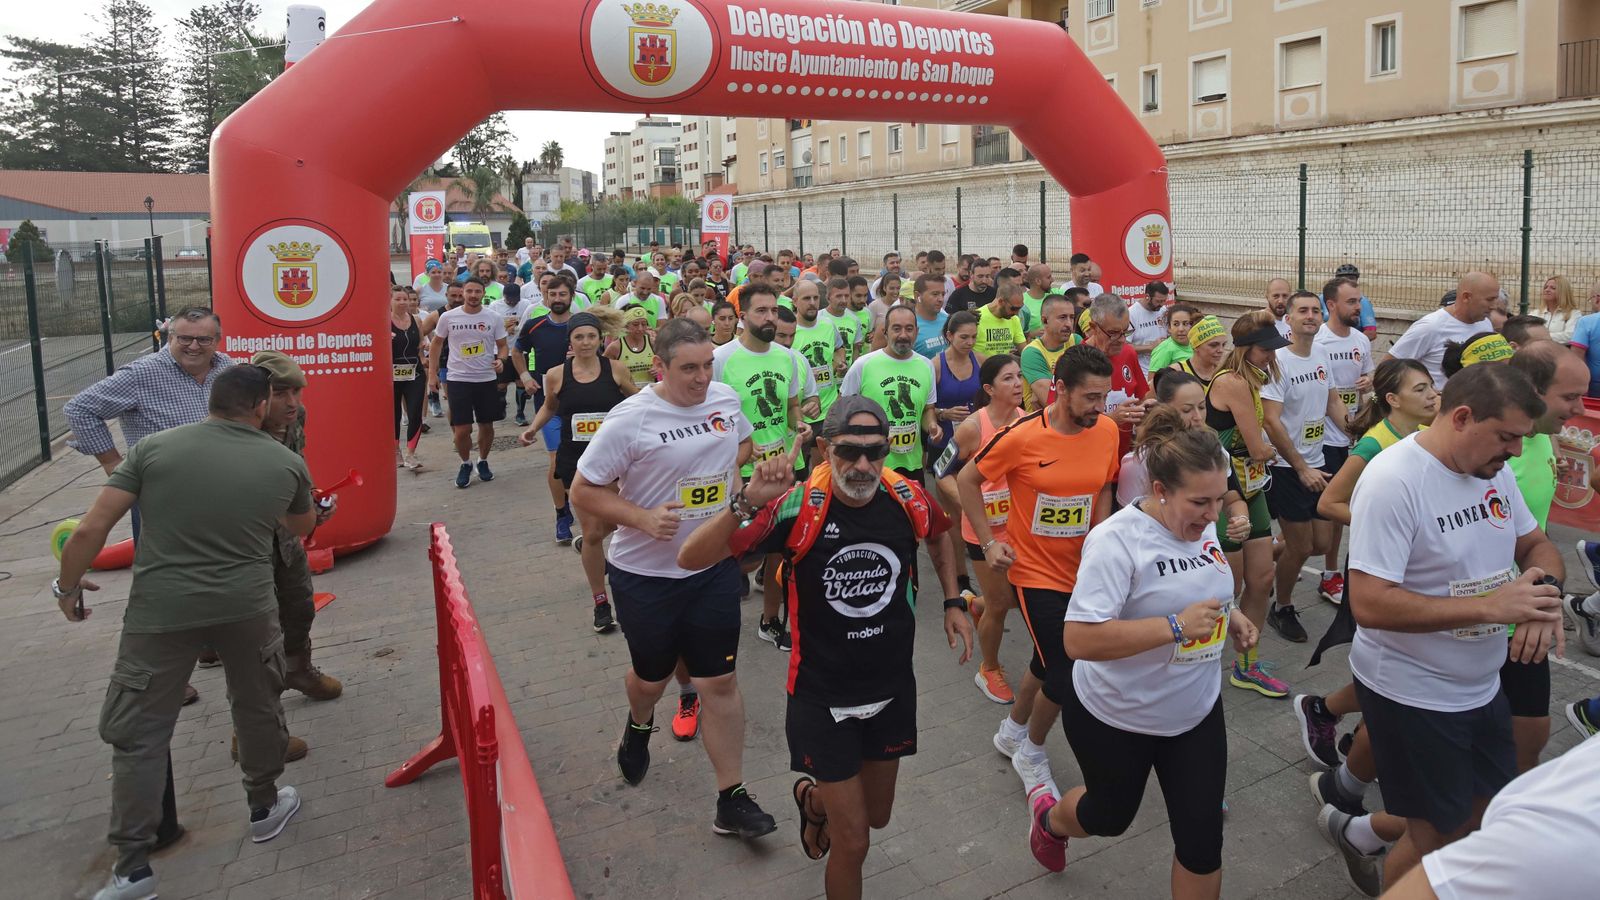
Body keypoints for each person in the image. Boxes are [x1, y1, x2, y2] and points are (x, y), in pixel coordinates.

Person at [678, 396, 973, 899]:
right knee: (853, 842)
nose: (862, 466)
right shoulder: (797, 504)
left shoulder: (906, 495)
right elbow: (692, 557)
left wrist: (953, 600)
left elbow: (939, 538)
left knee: (875, 818)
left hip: (891, 688)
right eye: (848, 452)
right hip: (821, 696)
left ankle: (813, 801)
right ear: (822, 449)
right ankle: (830, 812)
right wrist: (747, 499)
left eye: (874, 452)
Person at [58, 366, 312, 900]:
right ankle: (264, 807)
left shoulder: (151, 450)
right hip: (247, 606)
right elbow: (299, 527)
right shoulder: (285, 462)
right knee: (257, 704)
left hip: (161, 610)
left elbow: (89, 529)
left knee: (139, 731)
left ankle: (132, 867)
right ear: (261, 406)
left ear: (211, 401)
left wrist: (67, 587)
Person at [1346, 363, 1563, 890]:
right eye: (1507, 437)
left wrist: (1545, 593)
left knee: (1480, 821)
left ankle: (1359, 833)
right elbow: (1369, 604)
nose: (1515, 451)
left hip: (1480, 686)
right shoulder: (1393, 481)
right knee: (1440, 842)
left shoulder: (1492, 470)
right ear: (1462, 417)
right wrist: (1493, 607)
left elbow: (1536, 545)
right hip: (1412, 693)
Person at [1027, 409, 1258, 898]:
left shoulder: (1202, 522)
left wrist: (1230, 615)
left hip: (1193, 712)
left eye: (1219, 499)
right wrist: (1175, 627)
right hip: (1116, 716)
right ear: (1160, 490)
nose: (1213, 514)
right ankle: (1050, 820)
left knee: (1202, 844)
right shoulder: (1115, 542)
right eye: (1200, 502)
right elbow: (1079, 641)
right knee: (1108, 818)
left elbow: (1206, 583)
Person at [569, 318, 777, 840]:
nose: (702, 377)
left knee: (719, 681)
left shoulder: (726, 400)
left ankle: (731, 796)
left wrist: (739, 494)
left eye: (708, 365)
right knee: (651, 679)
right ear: (659, 367)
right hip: (645, 575)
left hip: (709, 568)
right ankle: (640, 722)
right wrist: (639, 517)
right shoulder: (631, 418)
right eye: (689, 368)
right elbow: (583, 490)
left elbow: (737, 449)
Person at [959, 345, 1122, 799]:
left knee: (1045, 660)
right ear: (1061, 390)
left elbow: (1104, 485)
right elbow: (967, 480)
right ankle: (1031, 751)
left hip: (1085, 571)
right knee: (1068, 667)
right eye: (1090, 397)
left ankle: (1012, 730)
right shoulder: (1022, 435)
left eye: (1104, 396)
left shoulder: (1106, 430)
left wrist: (1102, 537)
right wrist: (989, 543)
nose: (1098, 407)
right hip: (1035, 574)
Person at [519, 308, 637, 633]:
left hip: (613, 461)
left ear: (601, 339)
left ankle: (588, 545)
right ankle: (601, 602)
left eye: (591, 336)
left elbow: (638, 401)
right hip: (577, 464)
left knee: (612, 524)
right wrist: (532, 429)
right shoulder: (557, 374)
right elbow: (549, 406)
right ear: (570, 341)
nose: (585, 342)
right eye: (579, 337)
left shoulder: (615, 369)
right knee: (594, 530)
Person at [713, 283, 807, 651]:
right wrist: (738, 448)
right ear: (743, 316)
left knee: (780, 553)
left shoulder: (787, 358)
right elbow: (711, 416)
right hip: (741, 473)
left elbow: (792, 406)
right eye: (761, 311)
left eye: (773, 311)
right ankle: (716, 620)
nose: (769, 317)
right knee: (739, 553)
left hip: (784, 468)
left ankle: (771, 620)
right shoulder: (722, 359)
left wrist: (799, 423)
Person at [1206, 311, 1291, 698]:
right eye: (1264, 350)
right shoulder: (1234, 382)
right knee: (1230, 585)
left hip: (1252, 486)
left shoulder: (1252, 380)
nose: (1271, 357)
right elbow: (1257, 447)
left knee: (1262, 579)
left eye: (1273, 349)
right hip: (1226, 489)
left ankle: (1246, 664)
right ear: (1244, 349)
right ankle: (1197, 662)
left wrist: (1263, 453)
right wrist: (1269, 451)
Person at [1260, 290, 1345, 646]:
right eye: (1303, 311)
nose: (1310, 315)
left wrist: (1351, 426)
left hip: (1318, 460)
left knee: (1321, 541)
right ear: (1289, 319)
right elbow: (1271, 421)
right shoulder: (1278, 361)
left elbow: (1331, 398)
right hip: (1286, 466)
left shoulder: (1322, 354)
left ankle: (1265, 556)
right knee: (1302, 544)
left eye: (1315, 310)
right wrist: (1299, 467)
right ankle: (1282, 607)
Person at [940, 354, 1025, 705]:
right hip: (983, 533)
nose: (1018, 383)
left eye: (1020, 376)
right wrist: (970, 507)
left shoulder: (1027, 421)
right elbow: (942, 471)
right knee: (1003, 603)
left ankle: (978, 605)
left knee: (1020, 597)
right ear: (989, 389)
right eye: (1008, 379)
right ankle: (988, 668)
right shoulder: (973, 427)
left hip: (1017, 529)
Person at [840, 305, 939, 483]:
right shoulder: (863, 365)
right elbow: (841, 410)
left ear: (917, 332)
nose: (903, 335)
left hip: (911, 464)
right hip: (871, 464)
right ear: (885, 332)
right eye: (896, 328)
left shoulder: (926, 365)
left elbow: (927, 409)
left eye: (909, 329)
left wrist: (932, 425)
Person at [1388, 272, 1498, 389]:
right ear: (1466, 297)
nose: (1494, 306)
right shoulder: (1430, 327)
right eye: (1490, 300)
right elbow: (1389, 366)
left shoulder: (1485, 323)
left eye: (1496, 299)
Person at [1081, 293, 1153, 455]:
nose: (1121, 339)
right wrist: (1111, 419)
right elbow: (1062, 420)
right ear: (1093, 328)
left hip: (1123, 460)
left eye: (1126, 332)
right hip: (1089, 461)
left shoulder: (1128, 353)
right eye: (1113, 333)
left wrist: (1146, 411)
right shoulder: (1073, 362)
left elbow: (1141, 398)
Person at [392, 284, 435, 470]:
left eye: (406, 299)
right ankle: (395, 450)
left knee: (415, 410)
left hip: (414, 371)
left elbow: (420, 345)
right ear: (390, 301)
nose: (403, 303)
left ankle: (411, 453)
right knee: (393, 414)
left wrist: (425, 355)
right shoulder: (383, 320)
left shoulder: (416, 320)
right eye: (398, 299)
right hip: (391, 374)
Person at [1019, 294, 1080, 413]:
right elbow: (1054, 401)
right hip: (1042, 426)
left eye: (1071, 317)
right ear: (1044, 320)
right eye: (1062, 317)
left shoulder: (1076, 340)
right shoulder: (1032, 352)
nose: (1069, 324)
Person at [1323, 264, 1379, 340]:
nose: (1348, 281)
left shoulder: (1364, 302)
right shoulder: (1322, 298)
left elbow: (1371, 333)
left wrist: (1349, 343)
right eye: (1343, 278)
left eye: (1352, 278)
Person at [973, 281, 1026, 360]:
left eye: (1019, 308)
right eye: (1013, 309)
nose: (1016, 313)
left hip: (1004, 369)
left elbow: (1024, 351)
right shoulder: (977, 317)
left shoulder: (1014, 320)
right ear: (1001, 301)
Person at [1170, 315, 1227, 386]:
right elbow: (1152, 395)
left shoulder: (1226, 373)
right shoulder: (1175, 372)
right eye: (1213, 345)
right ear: (1196, 346)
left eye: (1223, 345)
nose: (1221, 350)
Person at [1128, 282, 1171, 375]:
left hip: (1164, 368)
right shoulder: (1131, 314)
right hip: (1142, 371)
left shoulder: (1163, 310)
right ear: (1147, 296)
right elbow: (1124, 347)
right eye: (1158, 301)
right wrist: (1150, 347)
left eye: (1164, 301)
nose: (1162, 304)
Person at [1149, 303, 1201, 373]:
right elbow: (1152, 381)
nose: (1181, 329)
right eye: (1176, 324)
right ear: (1169, 327)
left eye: (1185, 324)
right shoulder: (1164, 349)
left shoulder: (1197, 345)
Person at [910, 274, 950, 359]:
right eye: (935, 294)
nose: (941, 299)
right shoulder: (907, 325)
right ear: (917, 296)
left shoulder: (948, 321)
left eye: (943, 294)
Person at [1535, 275, 1579, 344]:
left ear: (1563, 292)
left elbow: (1570, 336)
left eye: (1553, 288)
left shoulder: (1574, 314)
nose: (1547, 290)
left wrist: (1541, 337)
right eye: (1545, 287)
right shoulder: (1536, 313)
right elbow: (1524, 332)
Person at [1016, 264, 1055, 338]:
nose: (1052, 280)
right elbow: (1016, 332)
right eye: (1048, 277)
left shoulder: (1054, 297)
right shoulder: (1022, 301)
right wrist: (1031, 334)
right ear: (1038, 281)